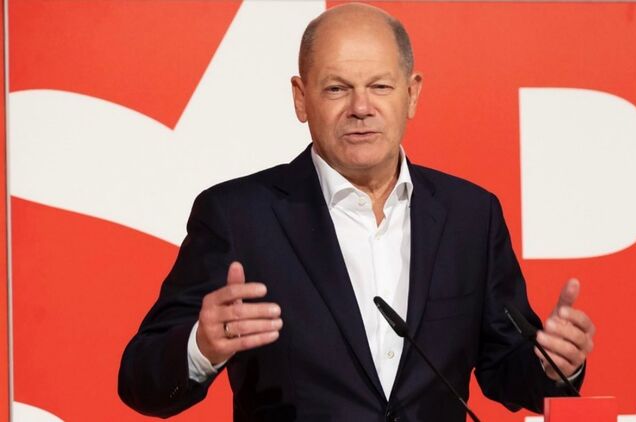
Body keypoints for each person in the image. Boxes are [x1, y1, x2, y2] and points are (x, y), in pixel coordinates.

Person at [119, 3, 595, 421]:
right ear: (301, 98)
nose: (361, 107)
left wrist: (556, 365)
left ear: (412, 93)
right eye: (336, 89)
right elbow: (140, 380)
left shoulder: (471, 216)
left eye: (380, 86)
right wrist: (199, 348)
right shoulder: (238, 217)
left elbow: (508, 370)